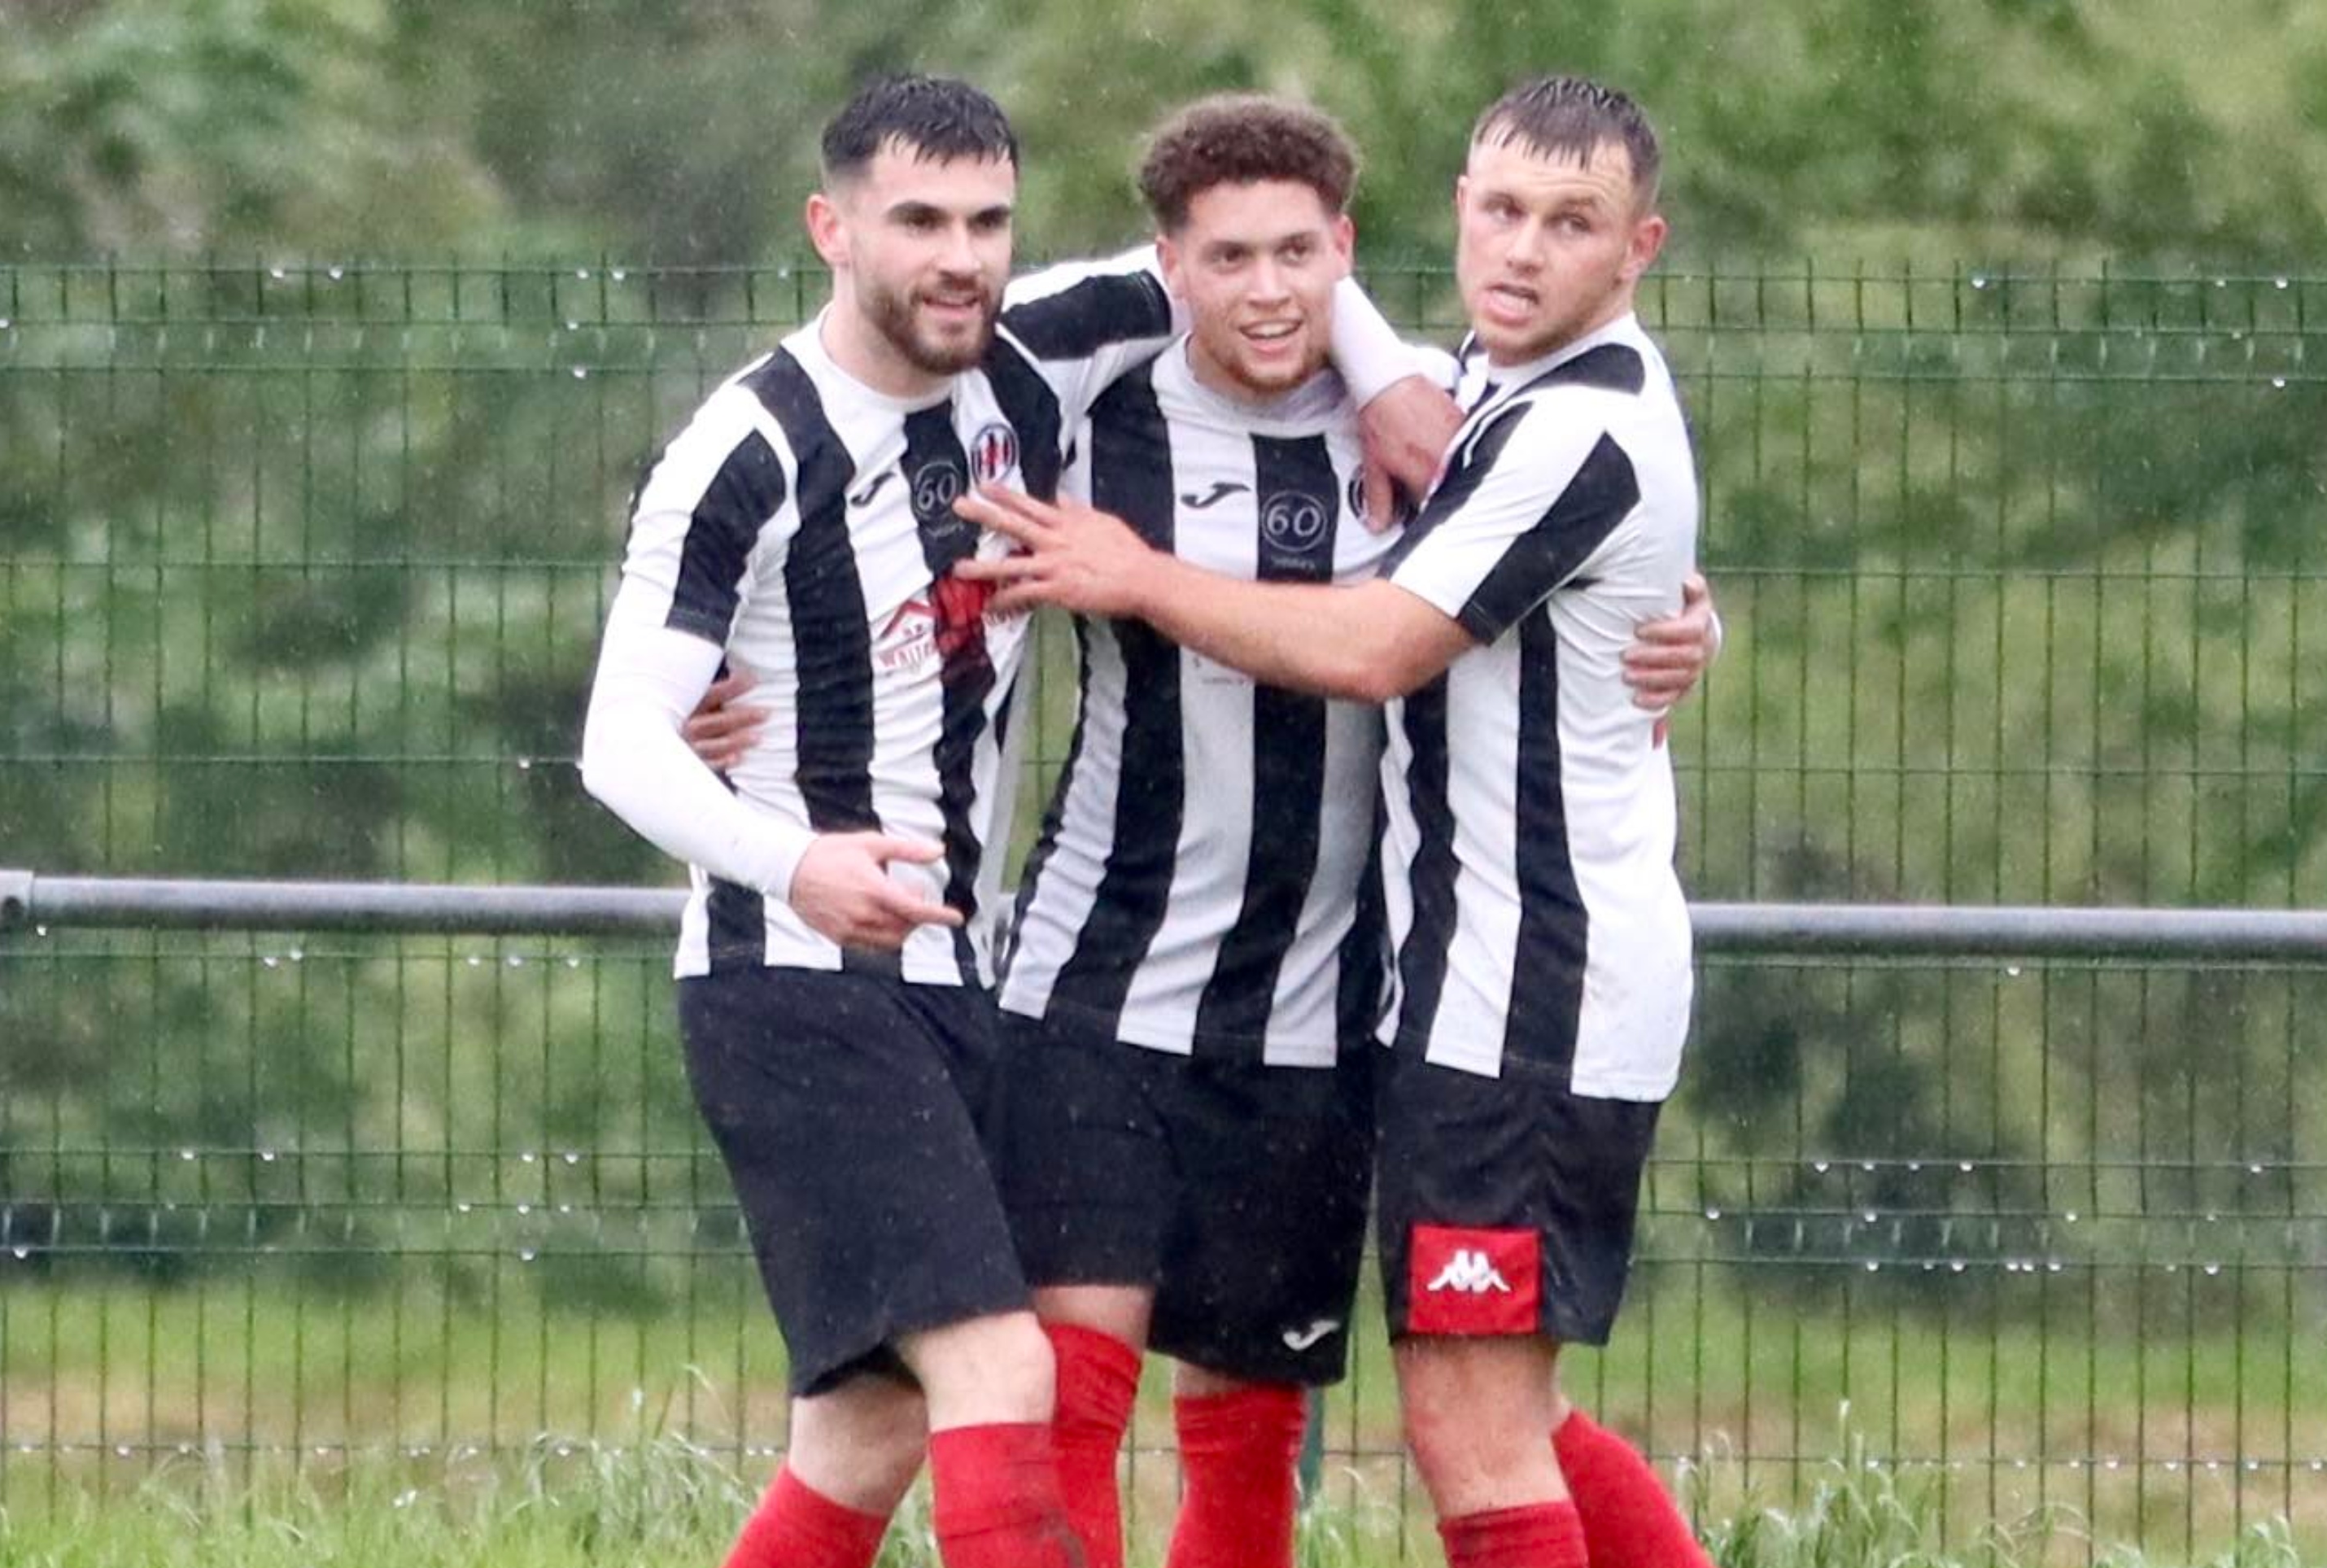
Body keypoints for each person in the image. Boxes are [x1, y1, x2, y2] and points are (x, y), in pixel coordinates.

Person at [583, 73, 1458, 1568]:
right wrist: (791, 852)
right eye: (918, 221)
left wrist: (1385, 380)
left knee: (865, 1437)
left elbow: (1255, 250)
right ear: (830, 228)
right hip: (797, 975)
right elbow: (615, 738)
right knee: (1007, 1374)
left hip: (947, 980)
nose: (960, 256)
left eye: (987, 222)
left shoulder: (1024, 373)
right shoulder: (750, 444)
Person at [954, 76, 1709, 1568]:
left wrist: (1136, 573)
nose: (1524, 248)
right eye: (1500, 210)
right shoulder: (1457, 397)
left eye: (1574, 223)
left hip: (1452, 1001)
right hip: (1115, 973)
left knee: (1468, 1425)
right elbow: (909, 354)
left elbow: (1385, 643)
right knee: (1450, 1415)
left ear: (1640, 247)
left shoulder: (1535, 419)